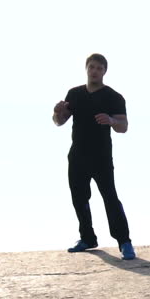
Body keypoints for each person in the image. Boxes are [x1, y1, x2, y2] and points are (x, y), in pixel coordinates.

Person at [52, 53, 136, 260]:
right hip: (77, 155)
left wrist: (111, 120)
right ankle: (87, 238)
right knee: (79, 197)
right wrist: (57, 112)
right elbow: (59, 121)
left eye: (99, 68)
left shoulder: (114, 97)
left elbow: (123, 127)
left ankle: (124, 242)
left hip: (101, 156)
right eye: (92, 67)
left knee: (110, 197)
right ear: (86, 69)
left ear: (104, 71)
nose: (95, 71)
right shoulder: (74, 93)